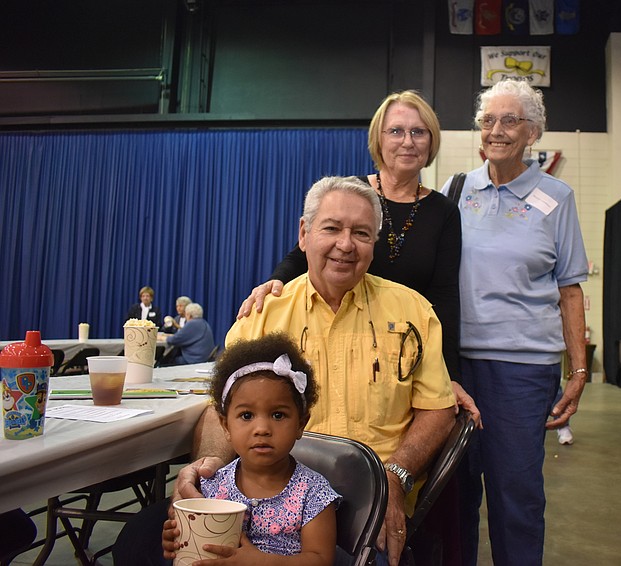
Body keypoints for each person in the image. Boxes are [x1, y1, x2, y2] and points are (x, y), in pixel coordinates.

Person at [174, 176, 457, 566]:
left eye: (360, 232)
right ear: (304, 234)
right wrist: (208, 465)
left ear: (373, 244)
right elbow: (221, 409)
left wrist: (395, 475)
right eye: (332, 228)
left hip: (369, 510)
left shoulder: (414, 313)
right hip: (266, 504)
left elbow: (438, 409)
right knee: (149, 538)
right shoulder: (261, 315)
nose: (345, 244)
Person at [238, 90, 479, 426]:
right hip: (354, 342)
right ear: (378, 139)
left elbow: (445, 297)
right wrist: (276, 281)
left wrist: (448, 376)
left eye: (418, 132)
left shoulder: (444, 212)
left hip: (409, 351)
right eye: (396, 131)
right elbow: (306, 249)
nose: (407, 141)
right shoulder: (353, 194)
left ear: (431, 142)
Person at [441, 79, 589, 566]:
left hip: (522, 371)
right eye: (488, 120)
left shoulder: (556, 198)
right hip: (455, 367)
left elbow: (570, 290)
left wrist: (579, 370)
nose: (496, 130)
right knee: (452, 494)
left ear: (533, 132)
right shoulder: (456, 190)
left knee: (516, 496)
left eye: (510, 120)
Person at [162, 333, 339, 563]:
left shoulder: (313, 493)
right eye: (246, 415)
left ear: (300, 424)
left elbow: (320, 560)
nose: (262, 429)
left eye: (278, 415)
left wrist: (259, 561)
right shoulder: (213, 486)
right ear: (226, 426)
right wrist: (177, 539)